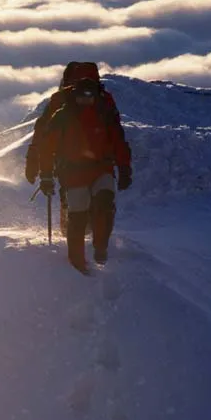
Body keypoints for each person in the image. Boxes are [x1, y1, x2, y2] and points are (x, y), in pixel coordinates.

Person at [26, 74, 132, 272]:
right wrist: (46, 175)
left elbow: (119, 142)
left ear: (95, 96)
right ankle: (78, 264)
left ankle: (100, 248)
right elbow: (47, 147)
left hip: (100, 168)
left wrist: (124, 168)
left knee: (105, 202)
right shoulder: (62, 116)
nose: (85, 100)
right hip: (73, 173)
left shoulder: (105, 114)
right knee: (78, 215)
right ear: (74, 96)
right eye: (82, 96)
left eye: (89, 96)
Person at [25, 62, 120, 235]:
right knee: (102, 199)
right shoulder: (105, 98)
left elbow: (43, 132)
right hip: (101, 162)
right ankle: (101, 239)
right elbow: (115, 132)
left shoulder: (60, 99)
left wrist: (33, 161)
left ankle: (70, 236)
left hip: (68, 162)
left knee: (71, 198)